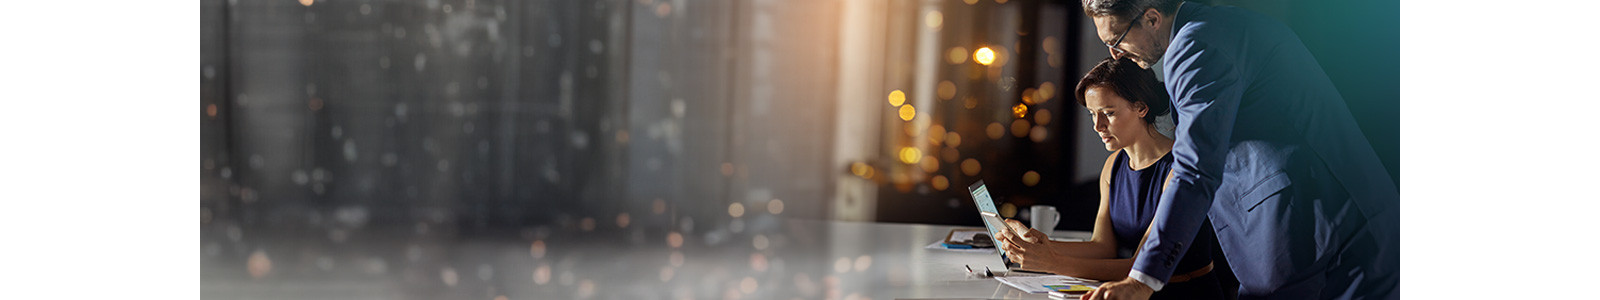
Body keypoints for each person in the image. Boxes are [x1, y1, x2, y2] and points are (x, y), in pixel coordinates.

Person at [1076, 1, 1400, 299]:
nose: (1115, 53)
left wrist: (1141, 280)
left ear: (1151, 18)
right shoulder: (1215, 26)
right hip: (1314, 234)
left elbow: (1194, 170)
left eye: (1117, 39)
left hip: (1330, 238)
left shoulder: (1195, 45)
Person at [995, 57, 1224, 300]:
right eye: (1093, 114)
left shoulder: (1180, 168)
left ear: (1141, 108)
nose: (1098, 125)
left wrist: (1052, 262)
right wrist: (1041, 246)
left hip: (1182, 294)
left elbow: (1139, 268)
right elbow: (1103, 247)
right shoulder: (1114, 164)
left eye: (1108, 113)